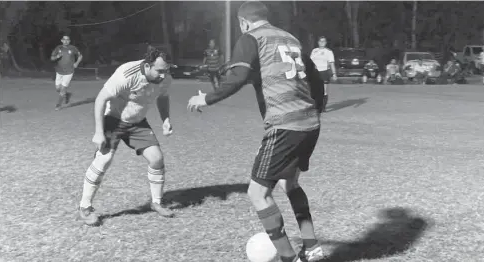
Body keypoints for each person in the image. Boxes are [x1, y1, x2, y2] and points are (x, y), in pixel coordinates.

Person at [187, 2, 324, 262]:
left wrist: (207, 98)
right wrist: (315, 108)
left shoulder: (251, 38)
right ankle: (312, 246)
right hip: (310, 123)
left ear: (243, 23)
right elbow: (315, 79)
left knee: (257, 193)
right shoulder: (289, 38)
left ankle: (288, 258)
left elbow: (238, 76)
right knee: (289, 183)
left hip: (284, 125)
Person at [78, 46, 175, 226]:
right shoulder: (126, 74)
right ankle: (85, 207)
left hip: (137, 122)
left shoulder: (165, 78)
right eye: (159, 71)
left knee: (156, 159)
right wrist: (99, 132)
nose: (163, 75)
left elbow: (162, 97)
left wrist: (166, 119)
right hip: (113, 119)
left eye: (166, 70)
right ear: (147, 65)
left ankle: (156, 202)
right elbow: (101, 99)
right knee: (104, 159)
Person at [50, 35, 83, 110]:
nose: (66, 41)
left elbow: (80, 56)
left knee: (62, 89)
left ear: (69, 41)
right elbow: (52, 58)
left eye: (67, 39)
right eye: (64, 39)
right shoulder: (58, 48)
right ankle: (66, 94)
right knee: (58, 88)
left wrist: (76, 63)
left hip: (69, 72)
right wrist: (57, 57)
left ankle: (58, 105)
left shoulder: (73, 48)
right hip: (59, 72)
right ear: (61, 40)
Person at [310, 36, 336, 112]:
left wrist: (334, 74)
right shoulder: (314, 50)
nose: (322, 43)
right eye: (320, 41)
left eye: (324, 41)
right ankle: (315, 105)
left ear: (326, 43)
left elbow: (332, 63)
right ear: (318, 42)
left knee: (324, 91)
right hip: (315, 72)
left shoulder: (328, 52)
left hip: (324, 72)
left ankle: (322, 107)